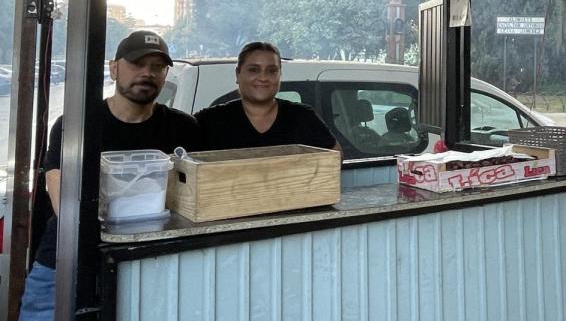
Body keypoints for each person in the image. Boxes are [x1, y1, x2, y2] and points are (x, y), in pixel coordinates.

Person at [20, 31, 203, 321]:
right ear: (114, 68)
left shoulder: (183, 128)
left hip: (149, 263)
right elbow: (60, 194)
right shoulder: (76, 124)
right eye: (137, 64)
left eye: (157, 66)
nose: (147, 73)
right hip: (66, 262)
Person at [195, 42, 338, 151]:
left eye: (271, 71)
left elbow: (335, 157)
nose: (263, 77)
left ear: (280, 75)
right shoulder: (209, 121)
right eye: (254, 70)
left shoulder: (303, 117)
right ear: (238, 74)